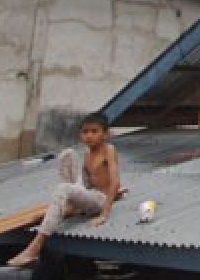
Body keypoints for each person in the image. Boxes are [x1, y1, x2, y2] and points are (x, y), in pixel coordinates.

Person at [8, 112, 121, 266]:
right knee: (67, 154)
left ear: (105, 134)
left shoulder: (109, 149)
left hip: (100, 199)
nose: (89, 135)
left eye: (94, 131)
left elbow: (115, 182)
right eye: (85, 132)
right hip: (90, 194)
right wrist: (77, 203)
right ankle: (68, 206)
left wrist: (104, 214)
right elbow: (88, 184)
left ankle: (34, 249)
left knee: (63, 189)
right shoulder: (87, 155)